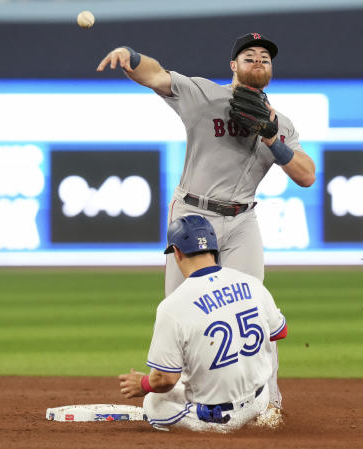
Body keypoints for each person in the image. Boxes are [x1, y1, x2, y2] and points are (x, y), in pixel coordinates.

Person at [98, 32, 315, 414]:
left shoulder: (281, 124)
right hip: (194, 217)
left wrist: (271, 137)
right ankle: (180, 398)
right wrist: (130, 55)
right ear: (234, 66)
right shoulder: (205, 96)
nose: (258, 61)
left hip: (243, 220)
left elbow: (306, 174)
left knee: (253, 310)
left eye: (265, 57)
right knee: (181, 308)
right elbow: (157, 75)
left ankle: (268, 403)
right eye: (249, 56)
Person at [118, 215, 288, 432]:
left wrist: (142, 384)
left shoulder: (173, 306)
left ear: (177, 252)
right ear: (214, 248)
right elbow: (280, 332)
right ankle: (264, 415)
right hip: (259, 401)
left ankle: (218, 430)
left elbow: (165, 379)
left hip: (220, 418)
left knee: (153, 402)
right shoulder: (251, 283)